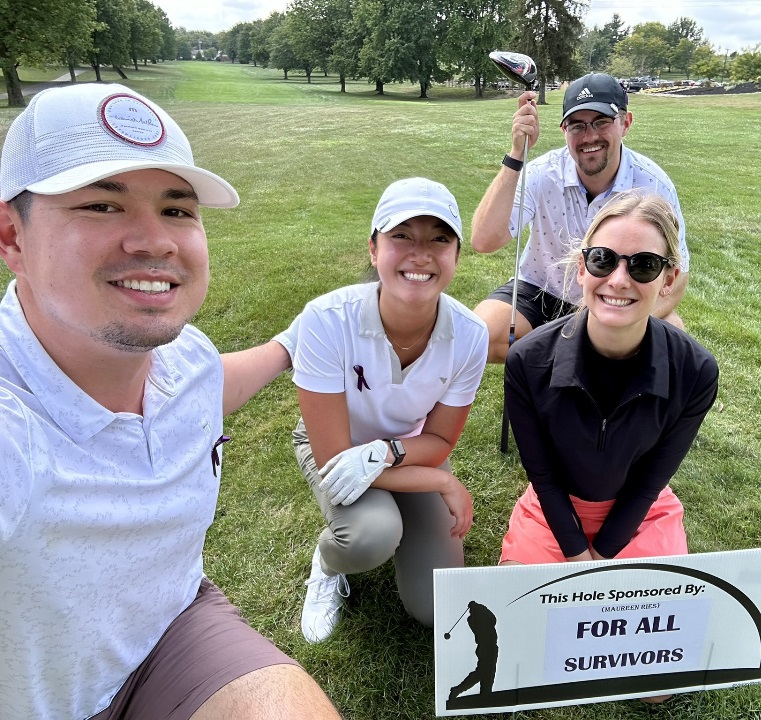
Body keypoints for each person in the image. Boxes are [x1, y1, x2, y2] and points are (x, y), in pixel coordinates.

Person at [0, 84, 339, 720]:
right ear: (11, 236)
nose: (155, 241)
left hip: (171, 625)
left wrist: (288, 345)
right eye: (102, 205)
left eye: (177, 209)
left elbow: (208, 385)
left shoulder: (184, 355)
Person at [291, 177, 488, 643]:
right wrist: (440, 481)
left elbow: (439, 441)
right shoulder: (325, 319)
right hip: (335, 451)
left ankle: (397, 522)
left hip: (408, 450)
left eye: (439, 239)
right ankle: (328, 563)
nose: (421, 254)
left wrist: (388, 454)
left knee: (437, 609)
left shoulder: (471, 334)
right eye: (402, 236)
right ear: (374, 248)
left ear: (456, 255)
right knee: (371, 535)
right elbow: (336, 462)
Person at [500, 190, 717, 571]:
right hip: (554, 512)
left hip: (639, 513)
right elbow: (544, 477)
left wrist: (599, 564)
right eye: (603, 259)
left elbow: (650, 482)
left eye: (644, 265)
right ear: (582, 268)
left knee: (655, 609)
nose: (618, 280)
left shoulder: (695, 371)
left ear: (669, 279)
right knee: (521, 606)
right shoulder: (527, 361)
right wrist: (577, 558)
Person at [471, 72, 690, 363]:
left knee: (673, 339)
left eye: (601, 122)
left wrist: (616, 322)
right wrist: (516, 155)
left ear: (625, 123)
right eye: (577, 125)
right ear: (564, 130)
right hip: (541, 290)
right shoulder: (542, 173)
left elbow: (678, 275)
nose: (589, 136)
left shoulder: (654, 185)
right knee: (478, 336)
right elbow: (484, 240)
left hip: (616, 296)